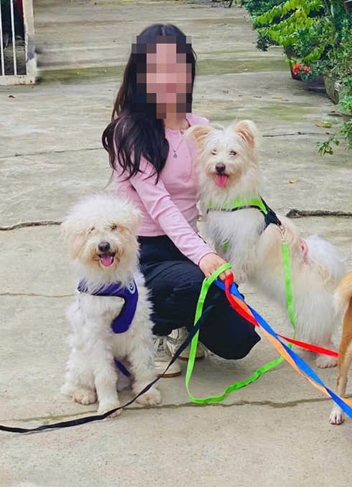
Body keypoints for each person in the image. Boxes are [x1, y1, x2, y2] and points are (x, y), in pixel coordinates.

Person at [101, 23, 260, 377]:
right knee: (196, 283)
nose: (169, 78)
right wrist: (204, 256)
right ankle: (147, 334)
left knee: (240, 338)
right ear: (141, 75)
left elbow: (224, 189)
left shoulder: (200, 128)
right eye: (157, 69)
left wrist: (269, 224)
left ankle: (182, 326)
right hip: (142, 252)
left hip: (184, 247)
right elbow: (160, 206)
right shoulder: (130, 132)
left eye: (177, 66)